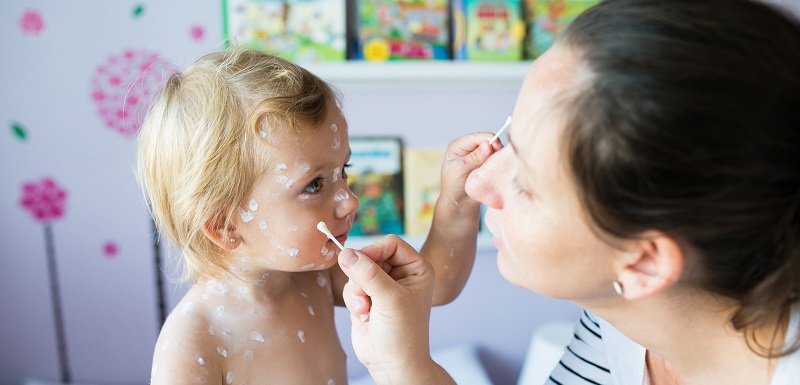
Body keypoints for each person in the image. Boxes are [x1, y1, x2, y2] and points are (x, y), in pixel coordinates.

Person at [336, 0, 800, 384]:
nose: (476, 184)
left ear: (643, 262)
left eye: (525, 183)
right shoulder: (622, 320)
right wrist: (402, 366)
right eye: (510, 141)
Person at [136, 48, 500, 384]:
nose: (350, 201)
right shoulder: (192, 345)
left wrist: (459, 200)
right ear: (226, 226)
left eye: (344, 170)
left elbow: (435, 286)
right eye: (313, 185)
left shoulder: (314, 277)